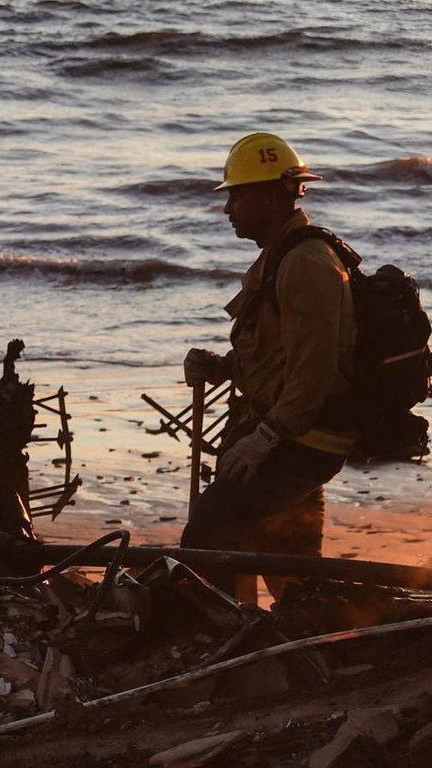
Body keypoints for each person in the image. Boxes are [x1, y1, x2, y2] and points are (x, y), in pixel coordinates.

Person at [181, 132, 357, 600]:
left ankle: (221, 644)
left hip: (304, 437)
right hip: (296, 433)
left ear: (268, 195)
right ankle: (312, 645)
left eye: (236, 196)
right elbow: (277, 355)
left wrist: (265, 439)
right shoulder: (282, 257)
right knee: (290, 566)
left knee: (213, 528)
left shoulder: (306, 263)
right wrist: (220, 367)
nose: (228, 209)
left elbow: (314, 369)